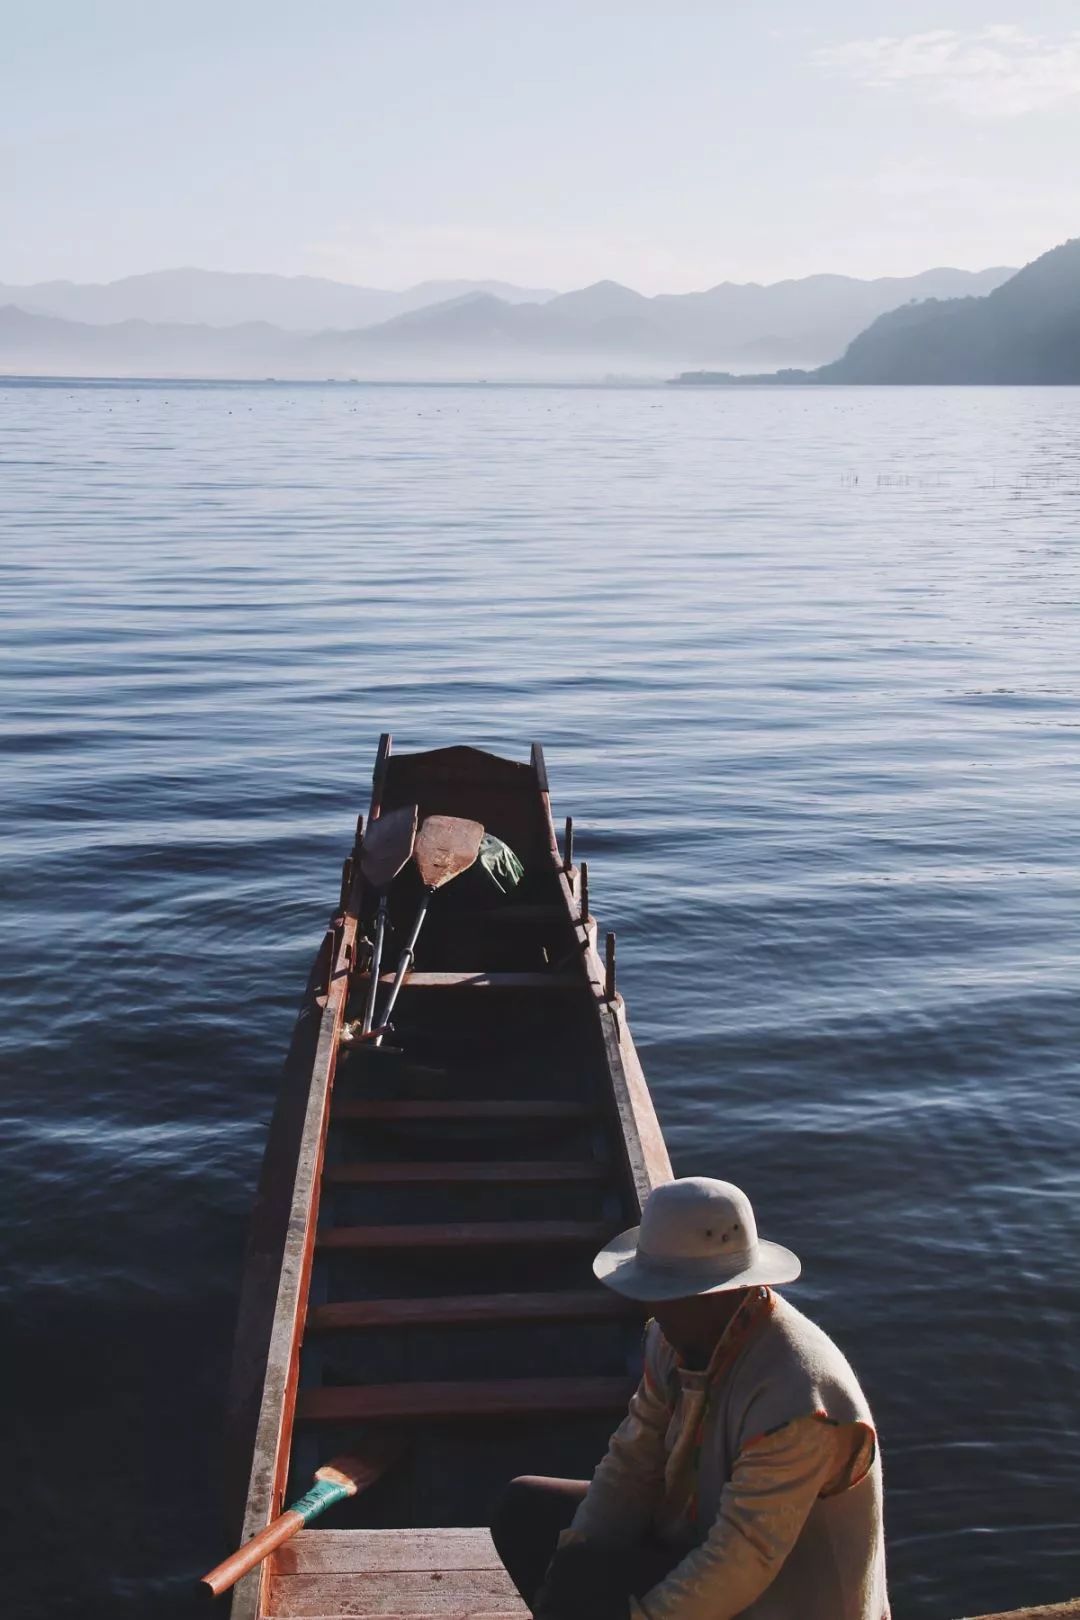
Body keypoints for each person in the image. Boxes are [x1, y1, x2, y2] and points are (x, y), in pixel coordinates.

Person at [490, 1177, 888, 1619]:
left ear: (725, 1293)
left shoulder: (798, 1399)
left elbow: (742, 1558)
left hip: (785, 1603)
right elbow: (632, 1463)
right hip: (700, 1541)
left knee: (590, 1587)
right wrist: (569, 1566)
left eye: (668, 1295)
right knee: (529, 1514)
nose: (653, 1310)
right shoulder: (674, 1336)